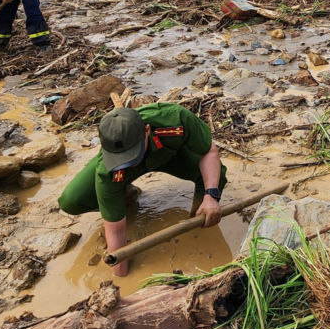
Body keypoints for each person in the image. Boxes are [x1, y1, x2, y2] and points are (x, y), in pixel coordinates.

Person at [58, 104, 227, 276]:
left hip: (170, 154)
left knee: (216, 177)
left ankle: (199, 219)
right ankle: (125, 195)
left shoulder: (175, 119)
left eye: (131, 154)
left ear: (147, 131)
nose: (129, 160)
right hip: (121, 173)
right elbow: (116, 232)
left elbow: (209, 151)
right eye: (121, 156)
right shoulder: (108, 171)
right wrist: (120, 277)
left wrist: (210, 196)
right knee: (71, 200)